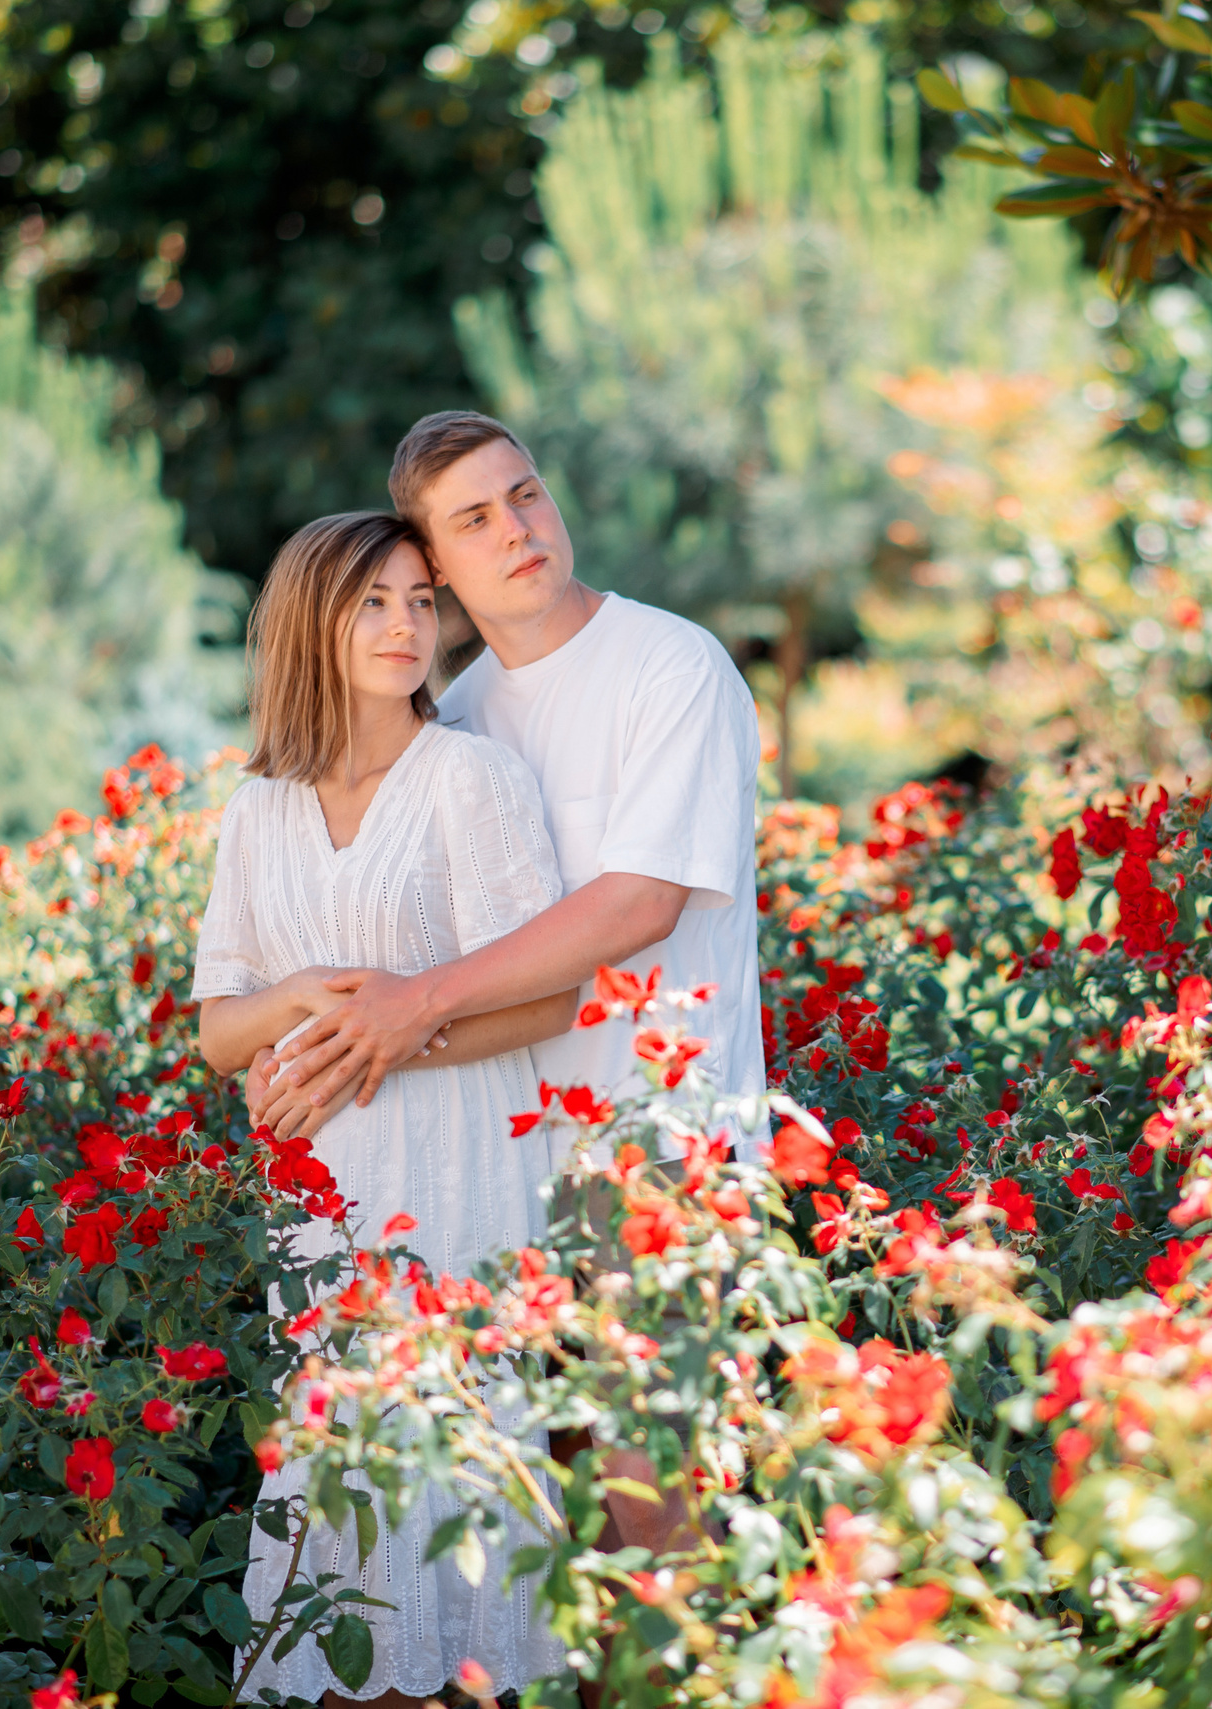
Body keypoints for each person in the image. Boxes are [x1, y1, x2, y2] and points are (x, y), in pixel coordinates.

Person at [250, 410, 765, 1568]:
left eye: (524, 493)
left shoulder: (669, 665)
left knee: (658, 1506)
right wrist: (324, 1050)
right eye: (475, 517)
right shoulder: (462, 718)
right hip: (501, 1169)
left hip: (654, 1150)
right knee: (551, 1533)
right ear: (435, 562)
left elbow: (639, 904)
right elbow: (386, 946)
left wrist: (412, 1001)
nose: (518, 528)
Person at [192, 510, 582, 1709]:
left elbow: (552, 994)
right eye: (374, 600)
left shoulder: (469, 777)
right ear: (316, 616)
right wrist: (303, 996)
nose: (407, 624)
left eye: (421, 598)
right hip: (325, 1192)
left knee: (447, 1481)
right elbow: (217, 1029)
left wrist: (383, 1042)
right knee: (345, 1491)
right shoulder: (260, 807)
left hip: (458, 1164)